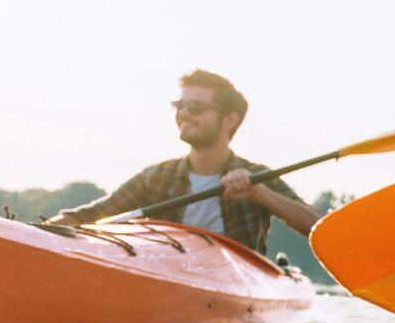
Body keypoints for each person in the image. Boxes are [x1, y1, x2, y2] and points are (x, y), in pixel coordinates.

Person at [56, 69, 319, 253]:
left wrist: (260, 193)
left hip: (235, 289)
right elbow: (91, 216)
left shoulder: (256, 175)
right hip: (168, 280)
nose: (183, 114)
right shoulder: (157, 177)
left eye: (195, 108)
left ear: (230, 119)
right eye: (178, 106)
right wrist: (32, 232)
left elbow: (318, 227)